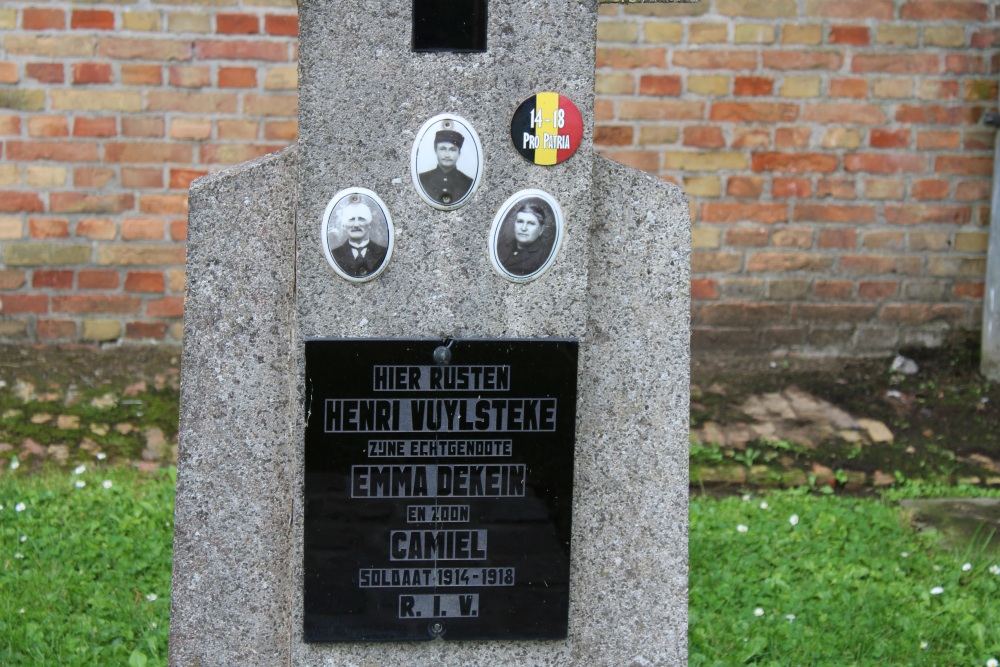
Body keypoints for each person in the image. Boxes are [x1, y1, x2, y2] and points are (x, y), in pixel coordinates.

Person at [330, 201, 387, 278]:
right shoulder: (335, 254)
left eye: (361, 219)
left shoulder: (383, 253)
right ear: (344, 226)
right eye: (351, 219)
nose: (356, 224)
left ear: (369, 224)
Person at [418, 129, 474, 206]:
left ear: (459, 153)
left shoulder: (468, 183)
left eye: (452, 150)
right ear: (435, 150)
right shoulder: (422, 179)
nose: (447, 155)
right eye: (442, 149)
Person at [497, 202, 552, 276]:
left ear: (541, 229)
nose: (523, 228)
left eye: (531, 223)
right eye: (520, 222)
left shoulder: (543, 255)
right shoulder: (502, 246)